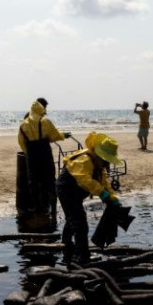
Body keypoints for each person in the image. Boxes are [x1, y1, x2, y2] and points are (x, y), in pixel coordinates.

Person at [56, 132, 122, 264]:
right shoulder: (84, 160)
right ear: (97, 154)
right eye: (105, 160)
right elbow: (84, 180)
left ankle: (67, 248)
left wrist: (113, 198)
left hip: (76, 193)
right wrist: (102, 194)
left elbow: (104, 182)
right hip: (66, 190)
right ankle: (83, 257)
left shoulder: (99, 165)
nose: (106, 163)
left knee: (73, 219)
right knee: (80, 224)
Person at [17, 98, 70, 216]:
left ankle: (37, 208)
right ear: (41, 108)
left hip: (31, 155)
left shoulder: (23, 124)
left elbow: (21, 142)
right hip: (45, 154)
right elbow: (53, 136)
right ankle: (53, 208)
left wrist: (28, 153)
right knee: (50, 180)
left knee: (34, 182)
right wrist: (63, 135)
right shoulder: (45, 121)